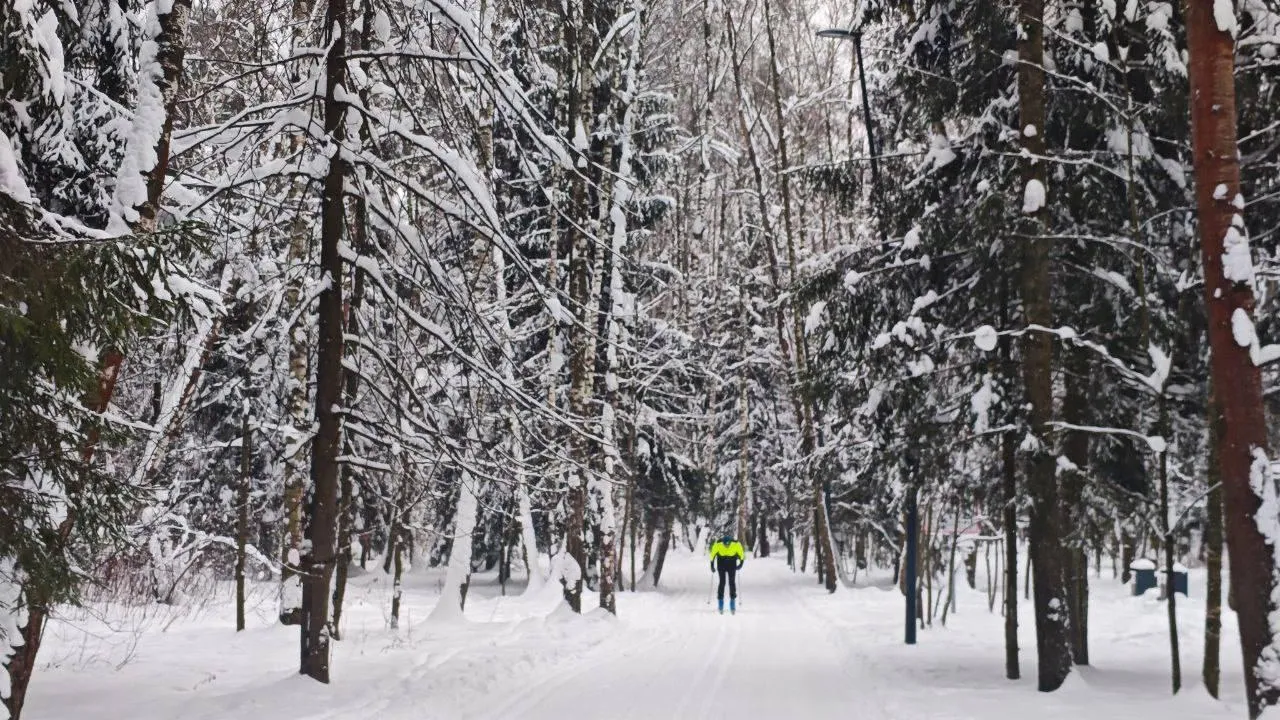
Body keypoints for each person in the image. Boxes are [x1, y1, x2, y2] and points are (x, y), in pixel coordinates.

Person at [709, 532, 745, 614]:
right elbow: (712, 555)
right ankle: (720, 604)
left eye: (728, 545)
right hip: (721, 563)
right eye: (725, 545)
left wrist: (740, 564)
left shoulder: (736, 544)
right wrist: (712, 565)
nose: (727, 546)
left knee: (732, 582)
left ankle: (732, 604)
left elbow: (741, 555)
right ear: (723, 543)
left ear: (730, 543)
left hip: (732, 563)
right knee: (722, 582)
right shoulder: (718, 544)